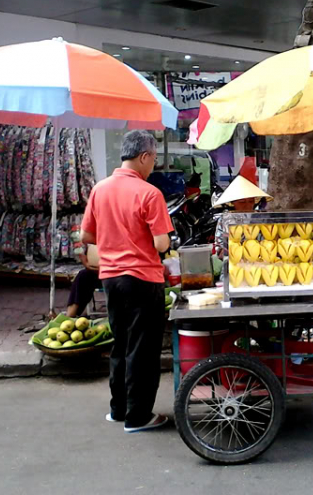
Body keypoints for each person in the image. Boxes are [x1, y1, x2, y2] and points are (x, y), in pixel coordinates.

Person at [81, 130, 173, 433]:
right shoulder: (149, 193)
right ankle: (138, 416)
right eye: (154, 159)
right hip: (142, 279)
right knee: (143, 350)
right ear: (144, 156)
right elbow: (161, 245)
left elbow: (86, 236)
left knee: (120, 344)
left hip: (109, 278)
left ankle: (118, 409)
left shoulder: (100, 189)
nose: (153, 166)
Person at [213, 175, 273, 259]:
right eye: (242, 202)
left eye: (251, 201)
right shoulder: (225, 220)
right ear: (233, 203)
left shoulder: (260, 219)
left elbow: (268, 243)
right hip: (233, 265)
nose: (247, 206)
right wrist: (235, 252)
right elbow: (220, 251)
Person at [66, 244, 101, 317]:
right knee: (83, 276)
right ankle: (71, 314)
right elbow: (80, 243)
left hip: (122, 272)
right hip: (99, 271)